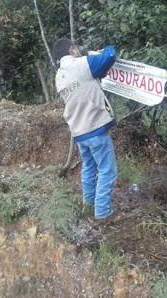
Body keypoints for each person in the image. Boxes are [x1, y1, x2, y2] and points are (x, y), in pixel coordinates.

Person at [52, 37, 117, 220]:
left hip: (79, 132)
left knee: (89, 167)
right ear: (72, 50)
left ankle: (88, 206)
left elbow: (92, 78)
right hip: (95, 127)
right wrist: (106, 48)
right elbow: (110, 55)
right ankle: (103, 212)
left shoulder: (60, 77)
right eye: (76, 48)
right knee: (107, 170)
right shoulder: (80, 65)